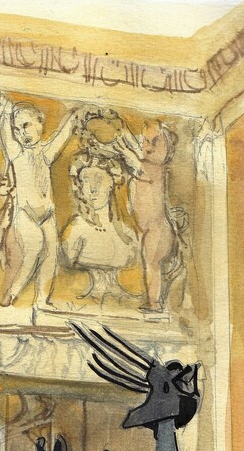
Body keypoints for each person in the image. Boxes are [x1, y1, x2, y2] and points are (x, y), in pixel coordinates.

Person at [0, 96, 78, 308]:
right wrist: (5, 109)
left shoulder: (46, 153)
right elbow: (5, 133)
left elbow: (63, 135)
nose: (21, 134)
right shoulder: (16, 154)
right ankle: (11, 293)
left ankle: (42, 300)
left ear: (40, 123)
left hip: (47, 215)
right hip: (25, 214)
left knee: (51, 255)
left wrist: (73, 113)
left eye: (26, 126)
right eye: (17, 129)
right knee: (33, 250)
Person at [114, 120, 188, 313]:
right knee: (149, 264)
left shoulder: (156, 168)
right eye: (146, 141)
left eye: (156, 142)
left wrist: (125, 149)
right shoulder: (144, 161)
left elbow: (138, 167)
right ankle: (153, 301)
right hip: (146, 228)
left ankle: (154, 303)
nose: (149, 147)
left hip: (158, 229)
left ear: (169, 149)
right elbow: (134, 151)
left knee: (153, 266)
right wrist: (123, 131)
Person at [61, 151, 137, 303]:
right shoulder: (75, 230)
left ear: (111, 184)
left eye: (99, 179)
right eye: (86, 180)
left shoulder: (127, 233)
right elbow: (68, 259)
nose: (92, 189)